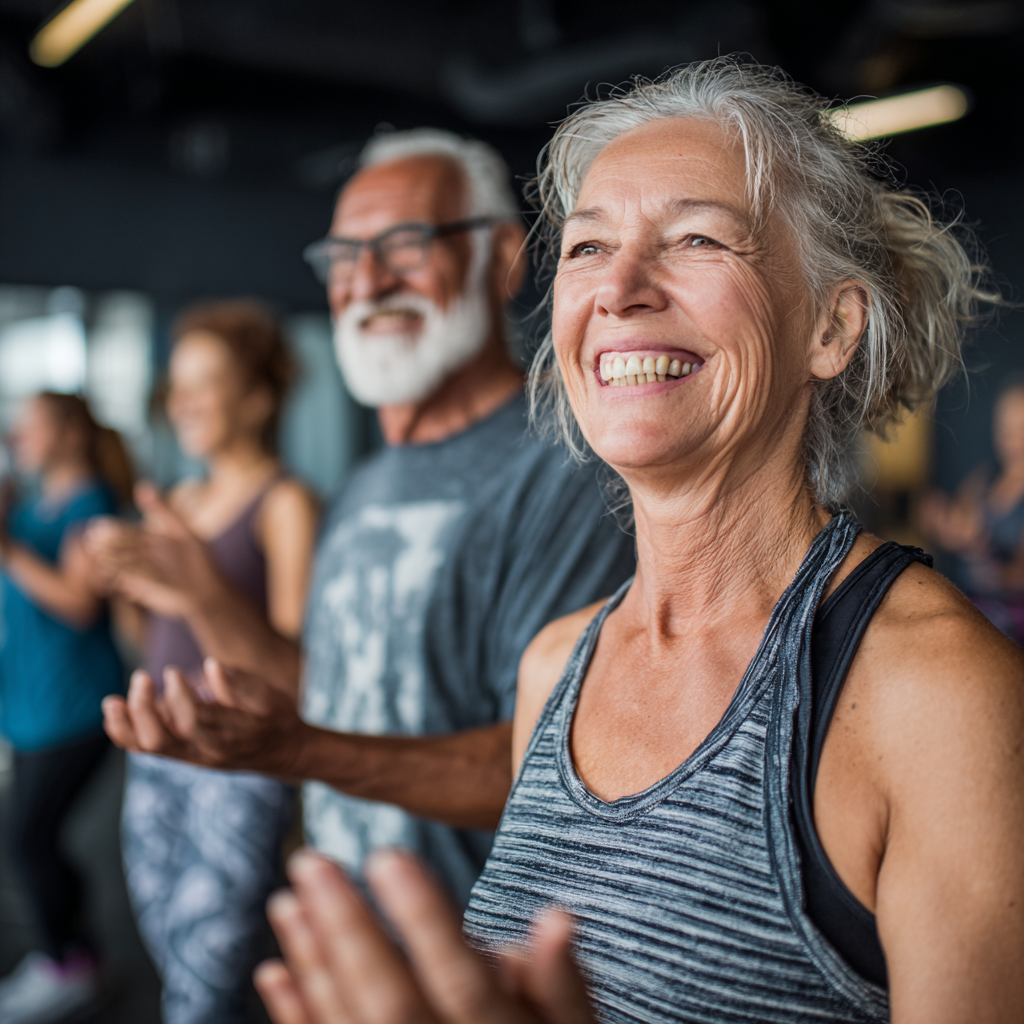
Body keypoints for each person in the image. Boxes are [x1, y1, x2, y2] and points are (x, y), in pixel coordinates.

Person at [254, 61, 1024, 1024]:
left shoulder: (940, 695)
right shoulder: (556, 666)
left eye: (697, 237)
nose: (617, 289)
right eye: (585, 248)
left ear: (830, 327)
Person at [99, 128, 637, 908]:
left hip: (481, 968)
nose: (369, 281)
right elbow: (329, 699)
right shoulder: (365, 485)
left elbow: (554, 769)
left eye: (405, 245)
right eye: (344, 259)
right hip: (356, 947)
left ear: (503, 257)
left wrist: (303, 752)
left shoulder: (567, 472)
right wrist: (202, 599)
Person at [86, 300, 320, 1024]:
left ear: (256, 398)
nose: (181, 400)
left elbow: (293, 674)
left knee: (211, 969)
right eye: (176, 382)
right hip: (158, 754)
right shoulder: (180, 500)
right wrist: (118, 585)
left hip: (236, 761)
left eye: (205, 382)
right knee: (171, 951)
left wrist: (194, 587)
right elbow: (150, 642)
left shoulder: (285, 504)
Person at [0, 392, 133, 1024]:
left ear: (70, 433)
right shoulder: (29, 503)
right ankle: (77, 954)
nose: (16, 435)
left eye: (30, 425)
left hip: (76, 706)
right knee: (37, 836)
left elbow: (80, 604)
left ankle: (69, 964)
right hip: (30, 700)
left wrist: (6, 546)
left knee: (28, 836)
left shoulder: (92, 506)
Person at [919, 381, 1024, 642]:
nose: (1014, 439)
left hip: (1011, 616)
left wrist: (983, 553)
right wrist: (941, 522)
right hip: (972, 606)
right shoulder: (984, 479)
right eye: (1007, 430)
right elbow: (958, 523)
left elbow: (1016, 575)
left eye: (1021, 430)